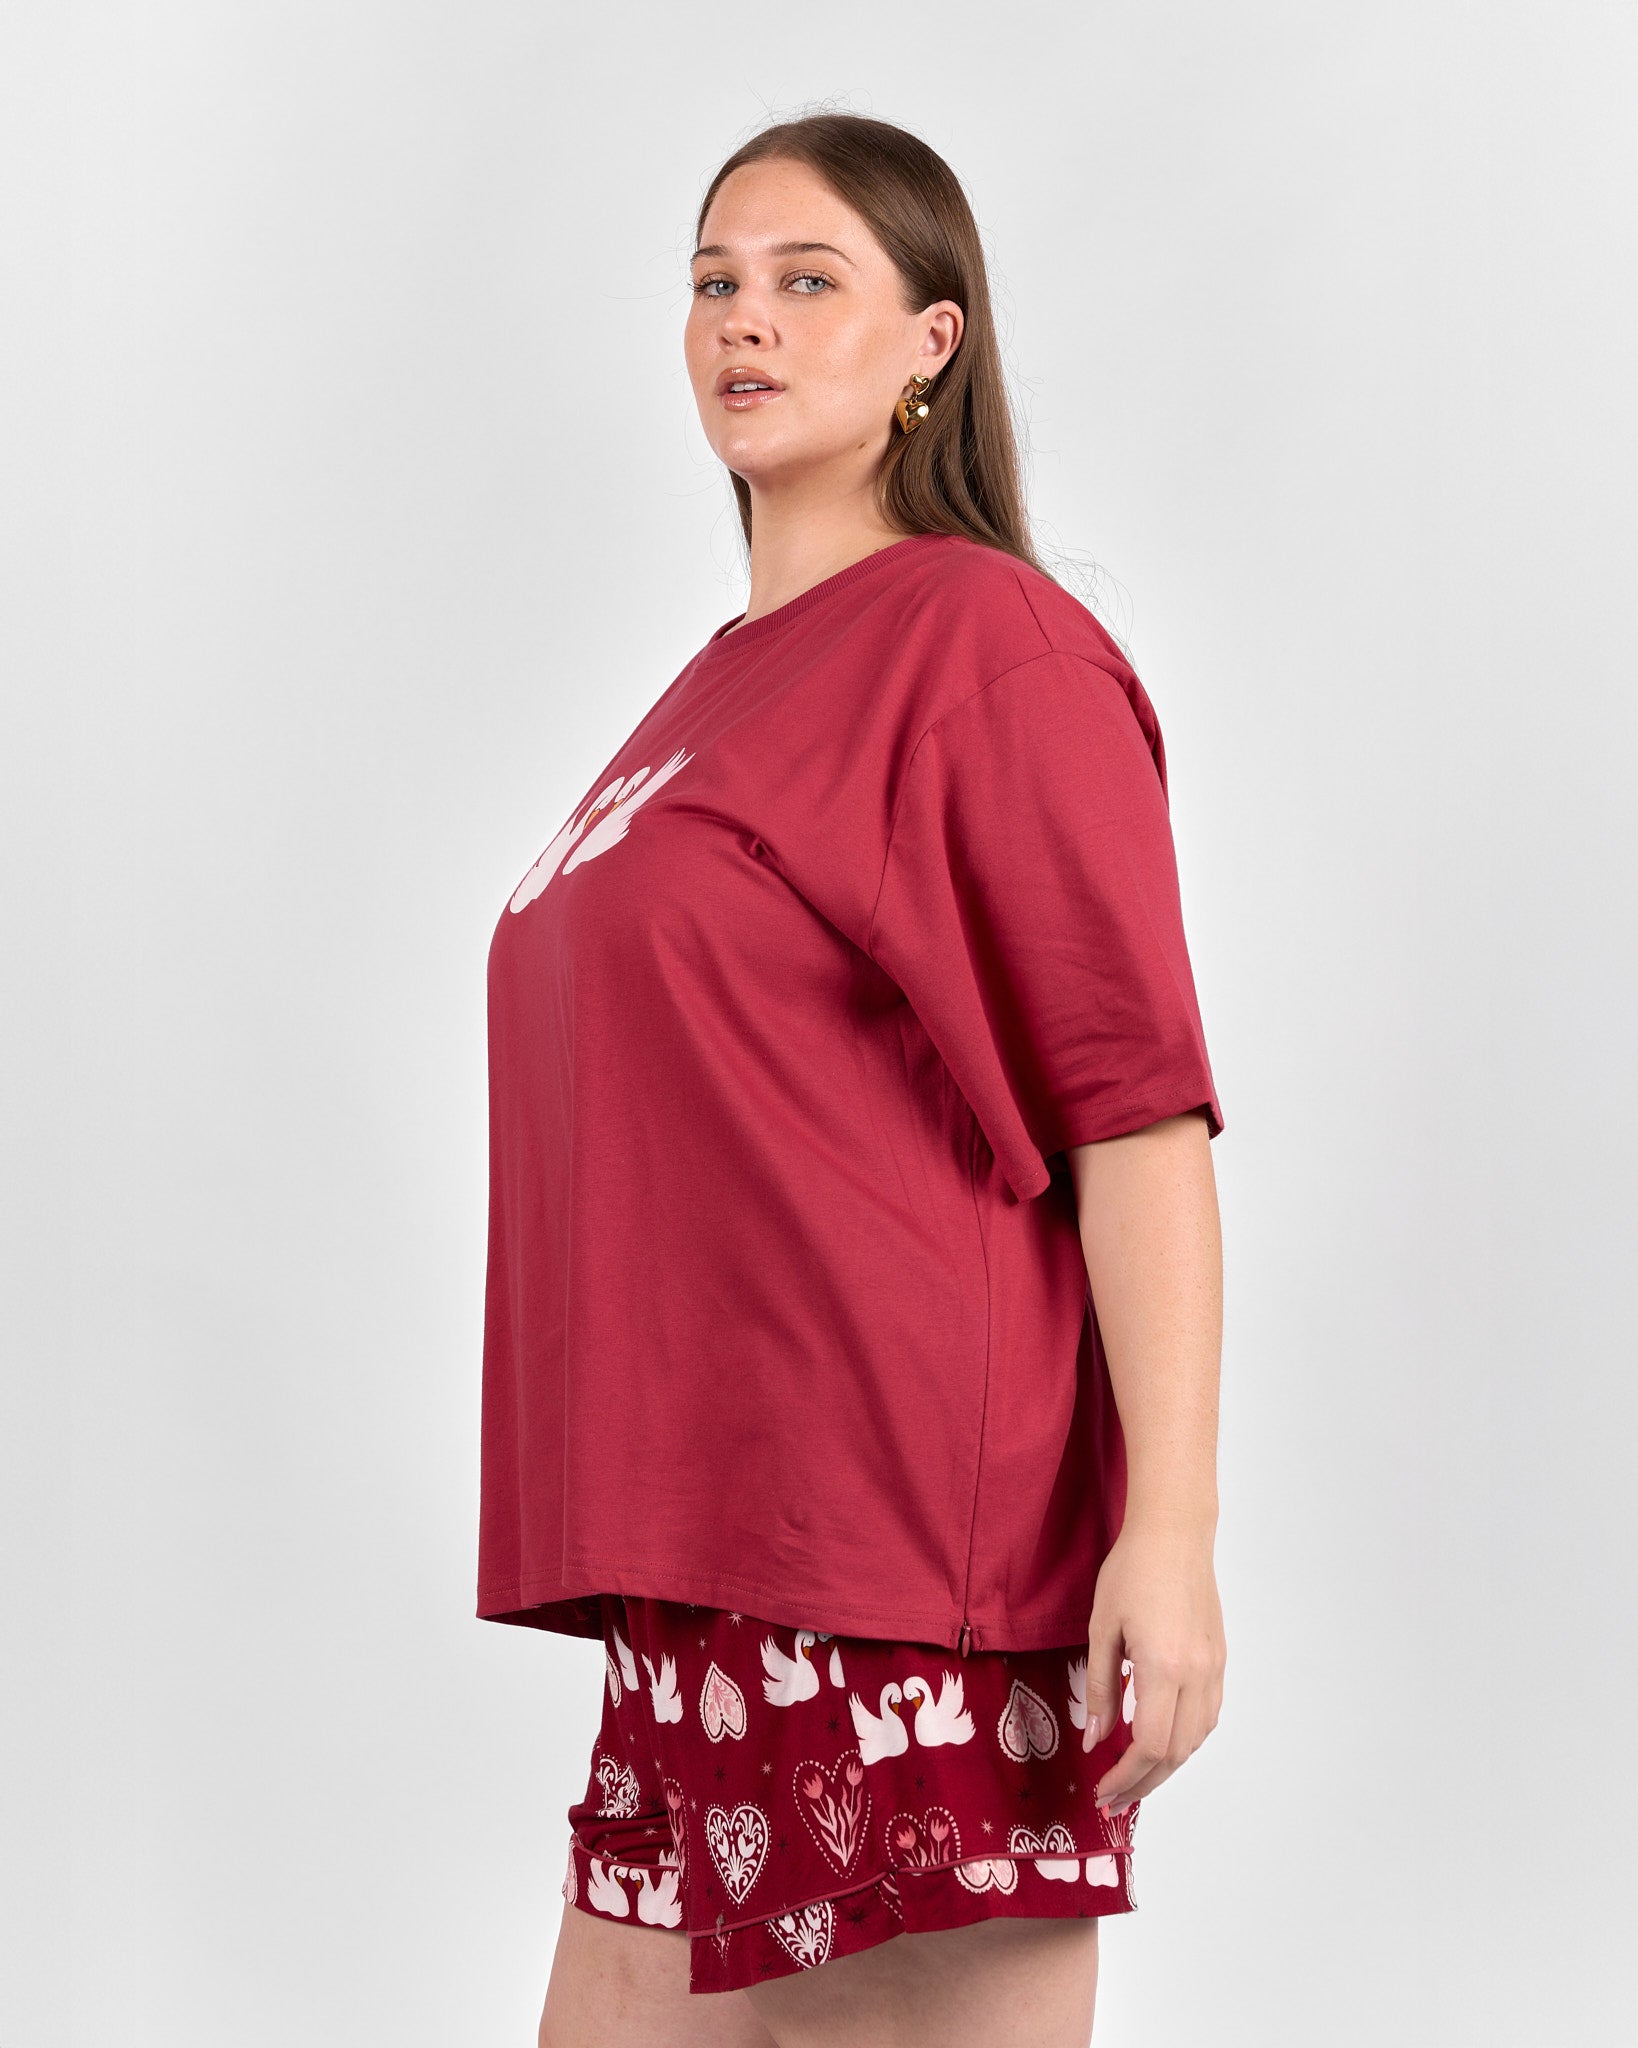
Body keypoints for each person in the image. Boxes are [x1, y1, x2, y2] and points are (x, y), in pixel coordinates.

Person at [478, 112, 1228, 2048]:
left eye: (808, 281)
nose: (745, 319)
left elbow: (1132, 1115)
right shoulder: (717, 687)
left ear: (930, 344)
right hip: (707, 1569)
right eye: (713, 282)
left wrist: (1169, 1532)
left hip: (897, 1570)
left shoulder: (984, 642)